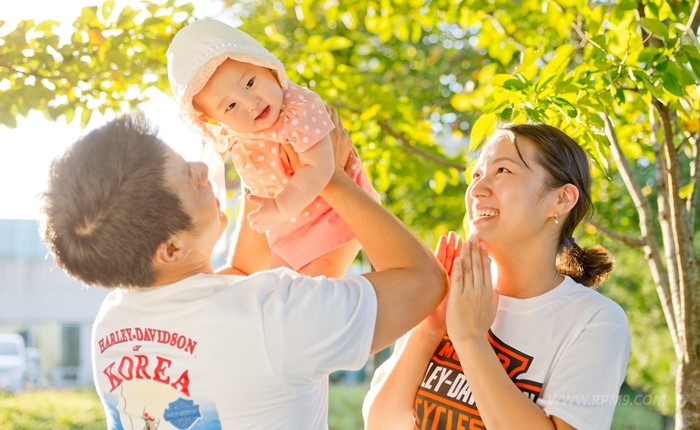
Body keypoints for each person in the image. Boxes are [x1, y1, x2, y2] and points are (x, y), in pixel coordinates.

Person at [40, 110, 447, 429]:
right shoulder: (269, 316)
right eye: (189, 178)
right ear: (171, 248)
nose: (203, 170)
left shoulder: (113, 323)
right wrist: (333, 181)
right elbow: (423, 282)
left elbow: (241, 276)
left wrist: (266, 177)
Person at [362, 123, 631, 429]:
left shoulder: (593, 321)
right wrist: (428, 329)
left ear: (562, 199)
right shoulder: (452, 291)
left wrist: (470, 339)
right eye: (477, 174)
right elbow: (382, 423)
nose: (477, 190)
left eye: (503, 171)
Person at [166, 18, 378, 278]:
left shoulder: (298, 109)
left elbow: (321, 167)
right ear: (214, 121)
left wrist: (279, 210)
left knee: (319, 277)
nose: (250, 103)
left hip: (330, 213)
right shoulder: (239, 134)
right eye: (230, 106)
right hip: (288, 222)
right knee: (276, 281)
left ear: (264, 65)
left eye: (250, 83)